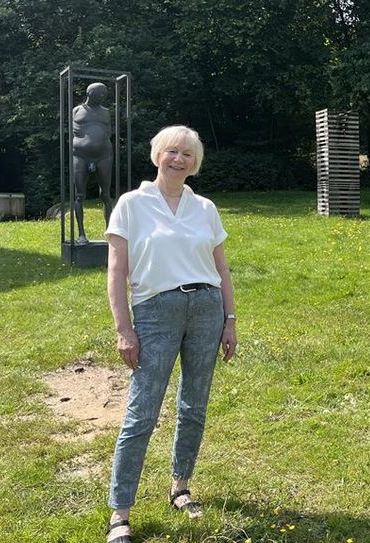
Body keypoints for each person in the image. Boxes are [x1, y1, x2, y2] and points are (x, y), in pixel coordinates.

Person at [104, 125, 237, 543]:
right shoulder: (131, 204)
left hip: (206, 309)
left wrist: (229, 319)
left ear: (195, 163)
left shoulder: (205, 207)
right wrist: (124, 328)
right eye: (172, 151)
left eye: (187, 155)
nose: (179, 159)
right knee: (142, 413)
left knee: (194, 405)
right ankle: (120, 513)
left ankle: (180, 487)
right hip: (155, 311)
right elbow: (116, 270)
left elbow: (221, 268)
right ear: (157, 154)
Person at [71, 82, 114, 244]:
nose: (102, 97)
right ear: (89, 94)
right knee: (79, 195)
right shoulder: (77, 110)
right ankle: (81, 234)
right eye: (99, 94)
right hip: (80, 155)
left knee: (106, 195)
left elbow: (108, 131)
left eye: (104, 94)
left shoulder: (106, 112)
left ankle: (110, 232)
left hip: (104, 155)